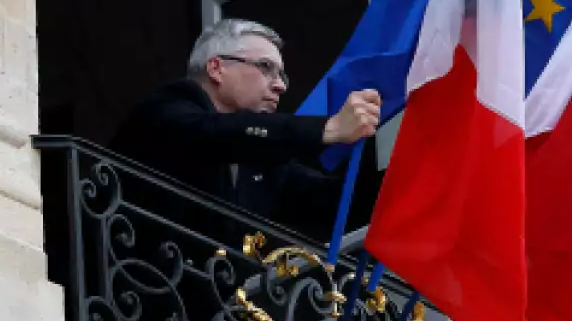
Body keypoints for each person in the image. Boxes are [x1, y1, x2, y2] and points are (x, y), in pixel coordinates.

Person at [109, 18, 382, 228]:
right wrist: (327, 129)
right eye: (265, 67)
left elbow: (329, 202)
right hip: (132, 291)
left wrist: (408, 177)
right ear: (216, 68)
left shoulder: (263, 160)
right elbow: (213, 135)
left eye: (282, 76)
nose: (280, 86)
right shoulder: (165, 108)